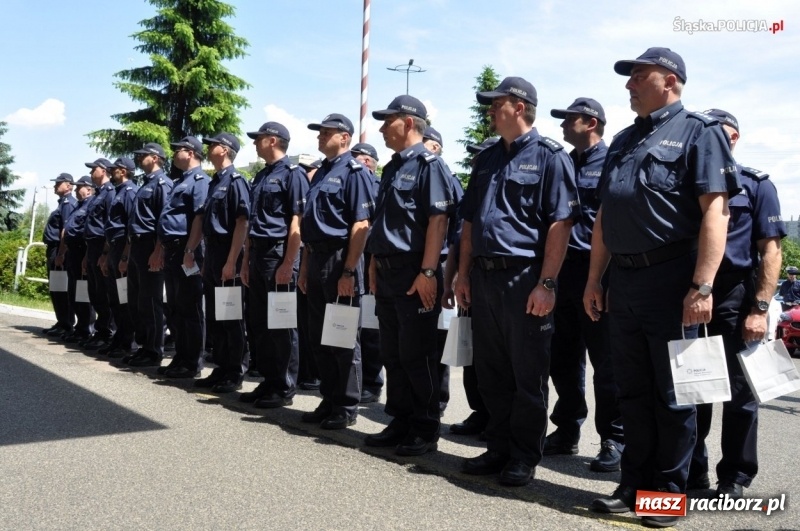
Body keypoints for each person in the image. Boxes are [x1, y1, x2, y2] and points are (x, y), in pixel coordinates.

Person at [582, 47, 740, 527]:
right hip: (625, 280)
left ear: (669, 80)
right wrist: (594, 278)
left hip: (673, 279)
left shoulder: (699, 132)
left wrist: (703, 286)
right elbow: (607, 215)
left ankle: (666, 496)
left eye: (638, 76)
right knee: (630, 391)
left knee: (673, 396)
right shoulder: (626, 140)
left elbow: (716, 210)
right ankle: (632, 485)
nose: (629, 85)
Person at [455, 77, 579, 486]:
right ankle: (498, 447)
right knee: (491, 371)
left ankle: (523, 456)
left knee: (527, 375)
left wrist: (547, 282)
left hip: (525, 277)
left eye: (497, 104)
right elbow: (470, 220)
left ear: (521, 107)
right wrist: (462, 273)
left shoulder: (550, 157)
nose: (491, 111)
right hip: (484, 276)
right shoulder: (487, 156)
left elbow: (561, 224)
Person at [689, 108, 785, 499]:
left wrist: (759, 309)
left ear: (734, 138)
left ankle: (734, 478)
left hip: (735, 295)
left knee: (740, 394)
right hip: (691, 294)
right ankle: (691, 472)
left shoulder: (757, 186)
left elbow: (772, 251)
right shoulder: (685, 183)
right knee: (691, 388)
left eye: (720, 133)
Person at [364, 95, 455, 456]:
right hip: (386, 271)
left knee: (418, 354)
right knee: (394, 352)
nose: (383, 128)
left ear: (407, 122)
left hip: (414, 271)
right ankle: (400, 419)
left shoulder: (429, 165)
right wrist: (373, 264)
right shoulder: (391, 167)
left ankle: (425, 426)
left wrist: (429, 271)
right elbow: (383, 225)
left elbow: (438, 220)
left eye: (388, 121)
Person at [544, 98, 624, 472]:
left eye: (568, 119)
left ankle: (614, 438)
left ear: (591, 123)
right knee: (563, 358)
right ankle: (566, 430)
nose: (561, 125)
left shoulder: (612, 160)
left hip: (598, 273)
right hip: (562, 273)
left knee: (606, 362)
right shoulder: (561, 163)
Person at [298, 113, 374, 429]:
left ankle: (346, 406)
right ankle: (328, 399)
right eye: (319, 132)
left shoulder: (355, 172)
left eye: (326, 132)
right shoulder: (321, 172)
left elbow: (361, 225)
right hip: (316, 259)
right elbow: (309, 227)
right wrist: (303, 269)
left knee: (342, 338)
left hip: (341, 259)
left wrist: (348, 271)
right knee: (320, 337)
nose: (320, 136)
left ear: (344, 137)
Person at [239, 122, 308, 408]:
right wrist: (245, 261)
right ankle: (268, 380)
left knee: (281, 325)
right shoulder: (261, 175)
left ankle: (283, 387)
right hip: (258, 254)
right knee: (259, 323)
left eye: (258, 139)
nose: (255, 143)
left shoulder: (293, 174)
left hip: (279, 254)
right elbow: (253, 223)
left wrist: (288, 262)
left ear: (272, 141)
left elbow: (297, 221)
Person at [184, 133, 250, 393]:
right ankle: (221, 368)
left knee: (231, 317)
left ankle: (234, 371)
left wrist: (232, 260)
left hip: (227, 253)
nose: (209, 148)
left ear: (224, 150)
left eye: (213, 145)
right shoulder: (215, 182)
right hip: (212, 252)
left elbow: (242, 223)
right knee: (217, 316)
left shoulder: (236, 181)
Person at [445, 138, 497, 439]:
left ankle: (497, 416)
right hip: (471, 281)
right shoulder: (471, 195)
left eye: (481, 157)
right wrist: (451, 280)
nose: (476, 162)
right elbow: (456, 243)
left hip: (495, 280)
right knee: (471, 354)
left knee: (494, 355)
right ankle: (480, 411)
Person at [153, 136, 210, 378]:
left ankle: (192, 362)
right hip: (173, 248)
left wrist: (189, 251)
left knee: (190, 307)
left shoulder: (200, 180)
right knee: (175, 306)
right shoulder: (180, 181)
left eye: (179, 150)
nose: (175, 153)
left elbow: (199, 217)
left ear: (191, 152)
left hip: (187, 249)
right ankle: (180, 356)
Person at [121, 143, 173, 367]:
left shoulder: (163, 184)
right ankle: (144, 346)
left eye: (143, 155)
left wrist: (158, 250)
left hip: (150, 246)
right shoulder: (146, 184)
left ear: (155, 158)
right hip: (137, 246)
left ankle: (154, 351)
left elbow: (164, 219)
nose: (139, 158)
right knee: (138, 301)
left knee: (151, 302)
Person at [349, 142, 384, 404]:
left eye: (360, 159)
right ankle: (356, 381)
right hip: (355, 258)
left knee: (371, 328)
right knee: (353, 325)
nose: (356, 163)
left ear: (371, 162)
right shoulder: (352, 182)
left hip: (373, 260)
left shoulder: (379, 186)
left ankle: (371, 382)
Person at [100, 157, 139, 358]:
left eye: (114, 169)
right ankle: (119, 338)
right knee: (115, 298)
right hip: (114, 247)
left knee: (125, 300)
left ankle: (127, 342)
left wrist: (125, 255)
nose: (111, 171)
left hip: (123, 247)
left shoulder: (131, 192)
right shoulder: (118, 192)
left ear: (123, 171)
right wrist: (106, 254)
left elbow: (130, 227)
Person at [82, 157, 117, 350]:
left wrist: (105, 252)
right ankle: (99, 331)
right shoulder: (98, 194)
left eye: (93, 169)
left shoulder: (110, 192)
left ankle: (106, 332)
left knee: (104, 293)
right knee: (95, 292)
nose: (90, 173)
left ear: (103, 170)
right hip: (92, 246)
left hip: (102, 245)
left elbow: (109, 224)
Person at [56, 176, 96, 342]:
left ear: (88, 189)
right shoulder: (78, 206)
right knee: (73, 292)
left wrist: (86, 256)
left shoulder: (90, 205)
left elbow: (87, 231)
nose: (77, 189)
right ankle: (79, 327)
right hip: (72, 252)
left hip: (82, 252)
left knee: (82, 293)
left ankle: (86, 328)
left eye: (80, 186)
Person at [296, 156, 322, 391]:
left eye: (309, 169)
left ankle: (315, 374)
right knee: (307, 325)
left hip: (334, 260)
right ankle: (307, 370)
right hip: (310, 257)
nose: (305, 173)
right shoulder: (311, 191)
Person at [42, 173, 77, 337]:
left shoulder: (68, 204)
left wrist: (61, 253)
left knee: (61, 289)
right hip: (54, 248)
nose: (56, 186)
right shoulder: (63, 203)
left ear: (69, 185)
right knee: (56, 288)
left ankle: (66, 323)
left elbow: (65, 230)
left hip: (59, 249)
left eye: (59, 183)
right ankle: (61, 321)